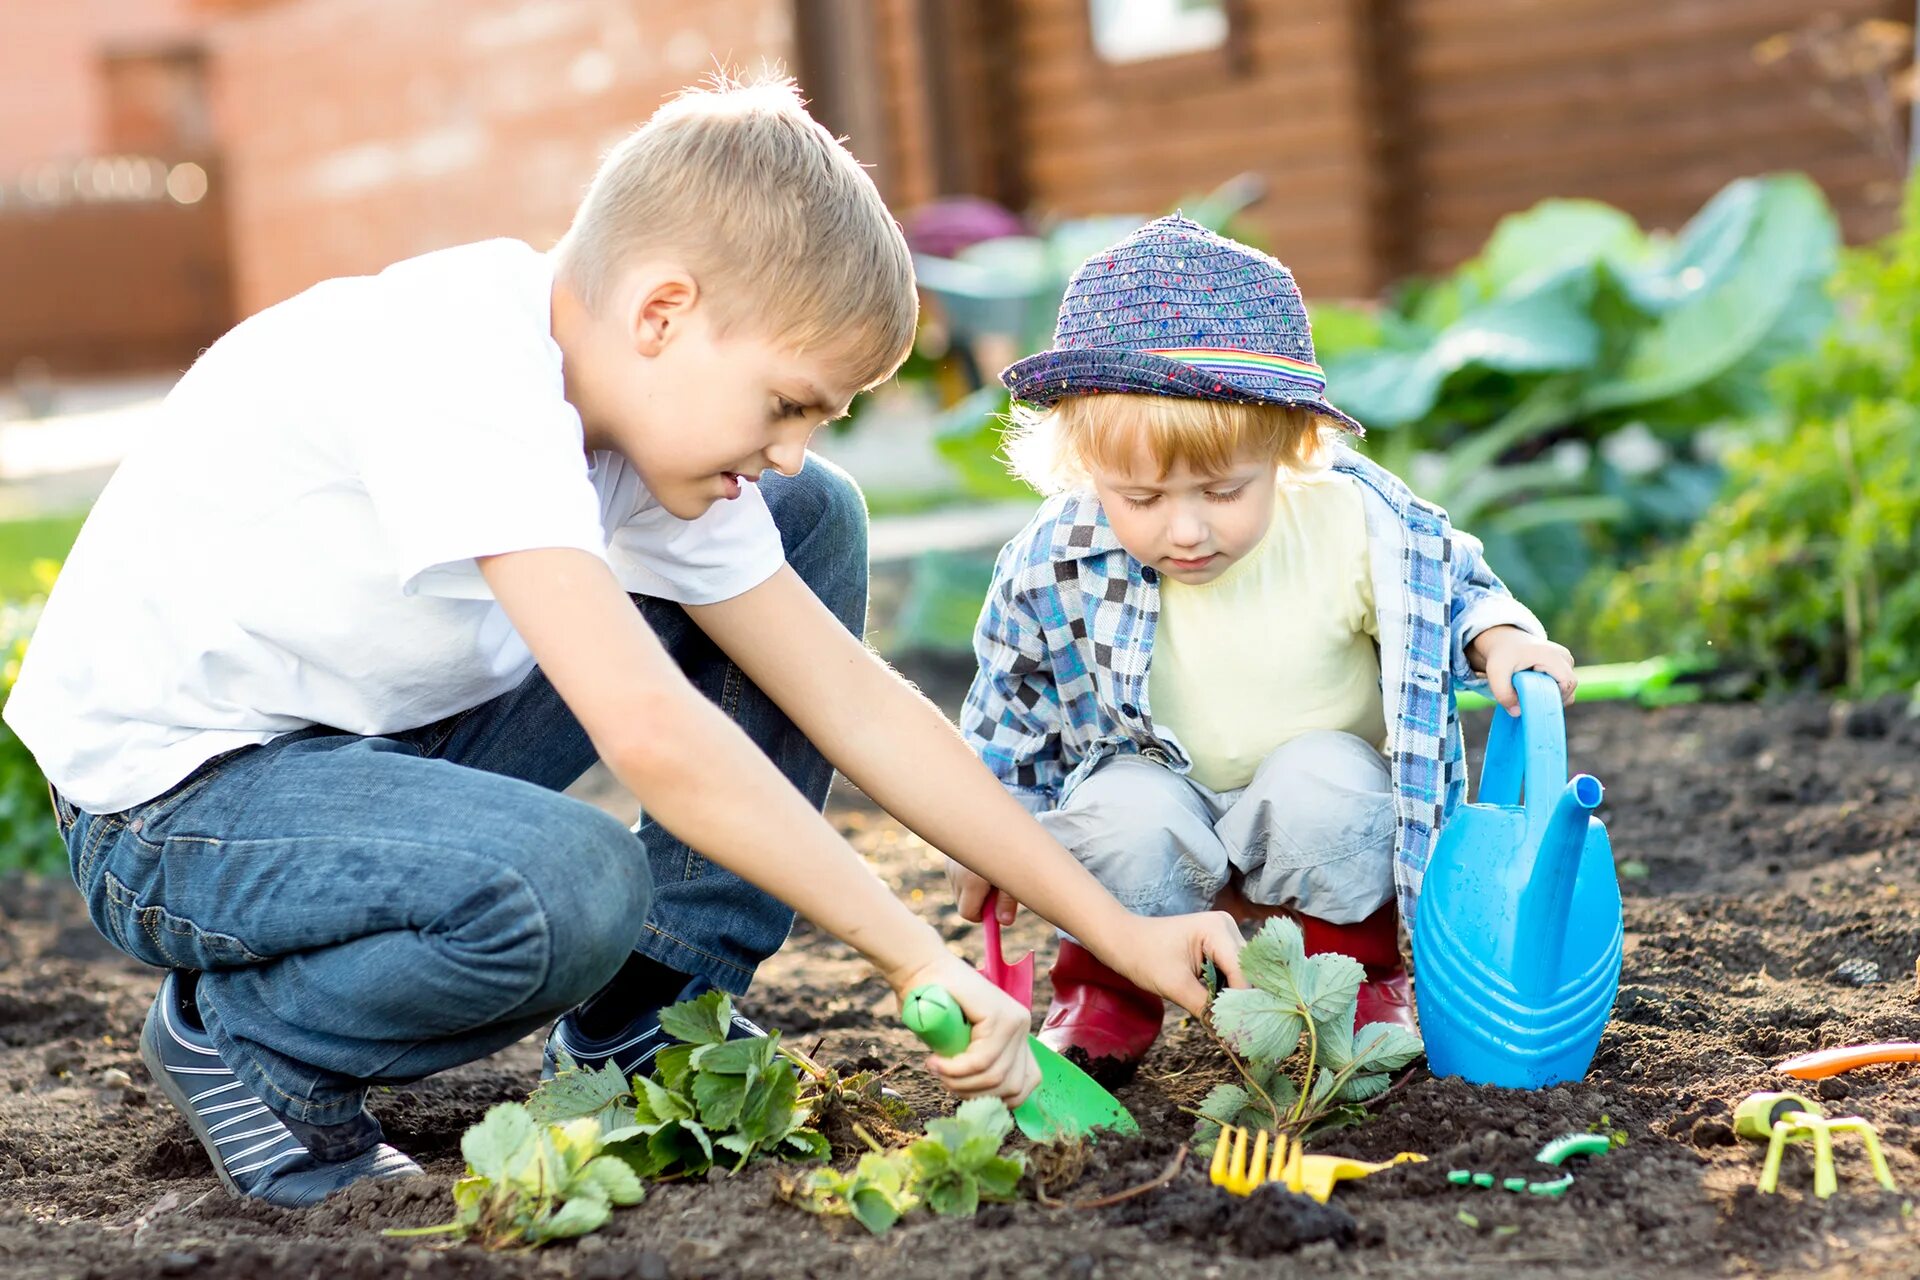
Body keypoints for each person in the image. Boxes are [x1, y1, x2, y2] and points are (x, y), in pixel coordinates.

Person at [2, 79, 1244, 1208]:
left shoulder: (631, 405)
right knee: (570, 887)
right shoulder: (465, 367)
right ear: (663, 312)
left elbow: (850, 702)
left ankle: (650, 1016)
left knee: (808, 522)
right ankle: (255, 1041)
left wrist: (1114, 926)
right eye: (788, 402)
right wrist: (917, 955)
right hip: (175, 811)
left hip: (362, 746)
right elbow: (653, 734)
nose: (789, 443)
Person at [957, 214, 1576, 1073]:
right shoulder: (1052, 556)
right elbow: (1009, 709)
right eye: (1139, 498)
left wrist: (1502, 640)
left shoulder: (1359, 523)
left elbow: (1456, 586)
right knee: (1112, 819)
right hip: (1158, 790)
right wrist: (990, 835)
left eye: (1222, 491)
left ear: (1290, 441)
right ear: (1082, 469)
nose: (1184, 529)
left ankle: (1351, 979)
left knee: (1333, 786)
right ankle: (1107, 991)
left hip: (1311, 808)